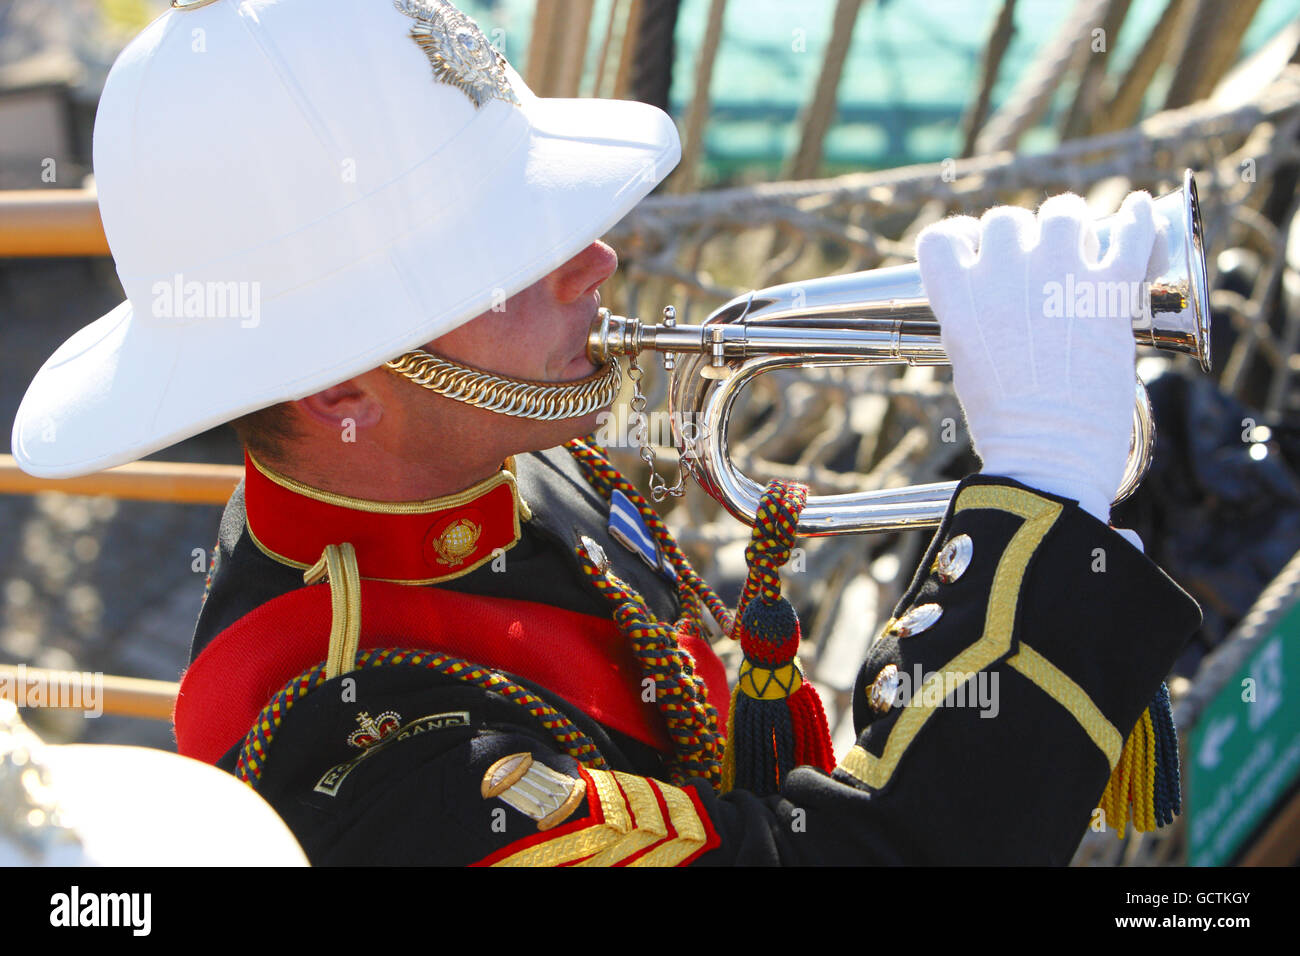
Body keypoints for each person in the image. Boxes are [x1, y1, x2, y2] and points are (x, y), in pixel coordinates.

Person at [11, 0, 1199, 865]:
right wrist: (1040, 482)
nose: (598, 257)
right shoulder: (369, 764)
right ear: (340, 392)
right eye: (510, 262)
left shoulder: (494, 471)